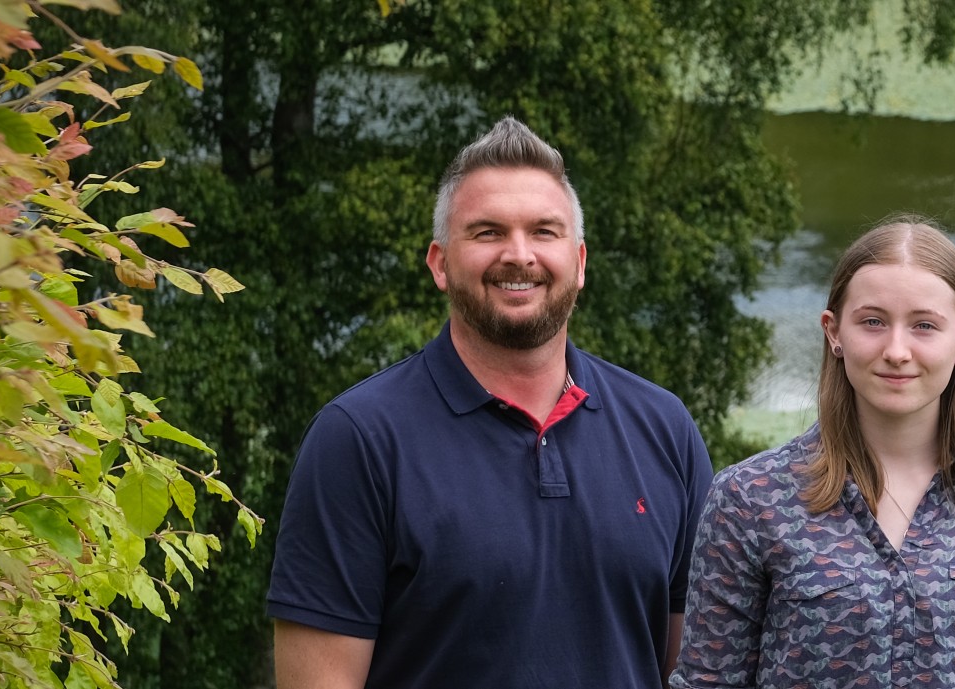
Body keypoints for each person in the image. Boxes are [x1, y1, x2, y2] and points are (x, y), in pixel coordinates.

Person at [267, 117, 712, 689]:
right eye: (486, 233)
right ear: (440, 263)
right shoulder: (358, 439)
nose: (518, 255)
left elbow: (700, 671)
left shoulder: (663, 428)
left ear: (579, 263)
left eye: (544, 232)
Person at [669, 216, 955, 688]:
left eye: (924, 326)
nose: (896, 350)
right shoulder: (749, 500)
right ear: (834, 332)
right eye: (872, 322)